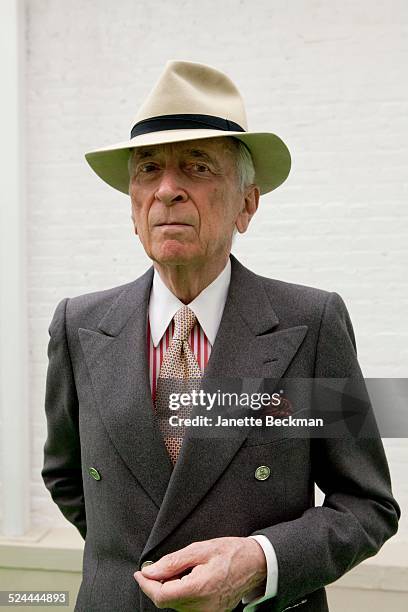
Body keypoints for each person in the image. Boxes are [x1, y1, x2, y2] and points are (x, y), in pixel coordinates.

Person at [41, 60, 400, 612]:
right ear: (133, 211)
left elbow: (367, 504)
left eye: (198, 166)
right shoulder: (78, 326)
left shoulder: (312, 324)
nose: (167, 190)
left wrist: (260, 563)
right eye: (148, 169)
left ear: (247, 204)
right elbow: (67, 478)